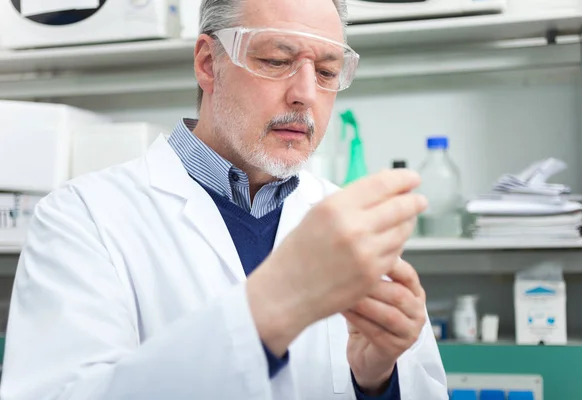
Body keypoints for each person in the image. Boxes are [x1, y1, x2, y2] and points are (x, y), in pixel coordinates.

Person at [0, 0, 448, 399]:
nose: (306, 94)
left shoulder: (353, 223)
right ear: (208, 64)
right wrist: (272, 308)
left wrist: (373, 380)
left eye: (328, 72)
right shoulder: (83, 219)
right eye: (276, 60)